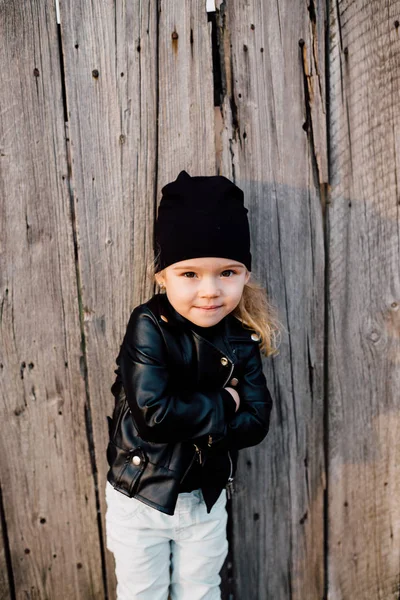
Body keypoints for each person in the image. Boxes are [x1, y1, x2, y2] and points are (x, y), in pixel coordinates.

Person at [104, 170, 280, 600]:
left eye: (227, 272)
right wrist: (225, 401)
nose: (210, 290)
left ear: (245, 275)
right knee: (141, 592)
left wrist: (201, 413)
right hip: (140, 497)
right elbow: (154, 417)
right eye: (189, 274)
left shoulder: (243, 336)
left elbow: (256, 421)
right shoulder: (148, 325)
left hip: (204, 500)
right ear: (162, 276)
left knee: (200, 591)